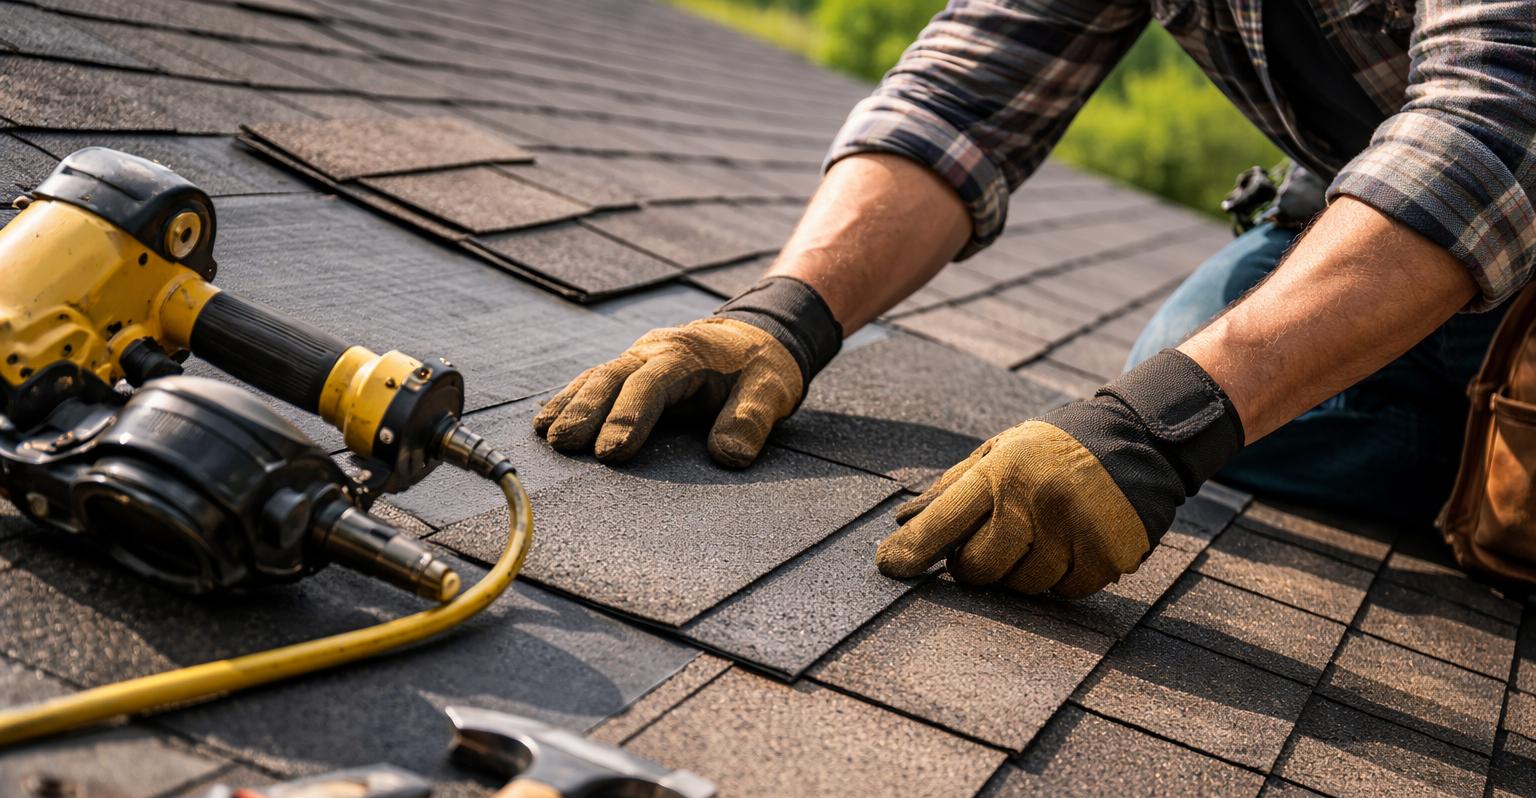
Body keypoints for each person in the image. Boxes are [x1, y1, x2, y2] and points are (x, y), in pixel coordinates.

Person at [533, 0, 1534, 599]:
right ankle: (1467, 440)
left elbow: (1495, 126)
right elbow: (962, 98)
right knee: (1188, 344)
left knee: (1202, 390)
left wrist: (1162, 428)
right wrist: (781, 315)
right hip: (1367, 195)